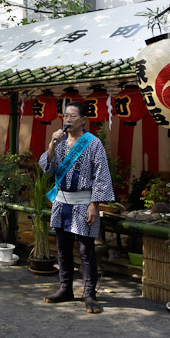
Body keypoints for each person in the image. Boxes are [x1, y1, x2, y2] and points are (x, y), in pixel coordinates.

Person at [39, 101, 114, 313]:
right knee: (62, 248)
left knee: (85, 249)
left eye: (73, 116)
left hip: (83, 203)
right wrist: (52, 144)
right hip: (62, 201)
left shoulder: (93, 144)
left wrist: (94, 204)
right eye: (65, 116)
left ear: (83, 120)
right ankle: (66, 289)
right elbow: (47, 168)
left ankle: (89, 294)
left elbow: (101, 176)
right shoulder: (59, 142)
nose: (68, 120)